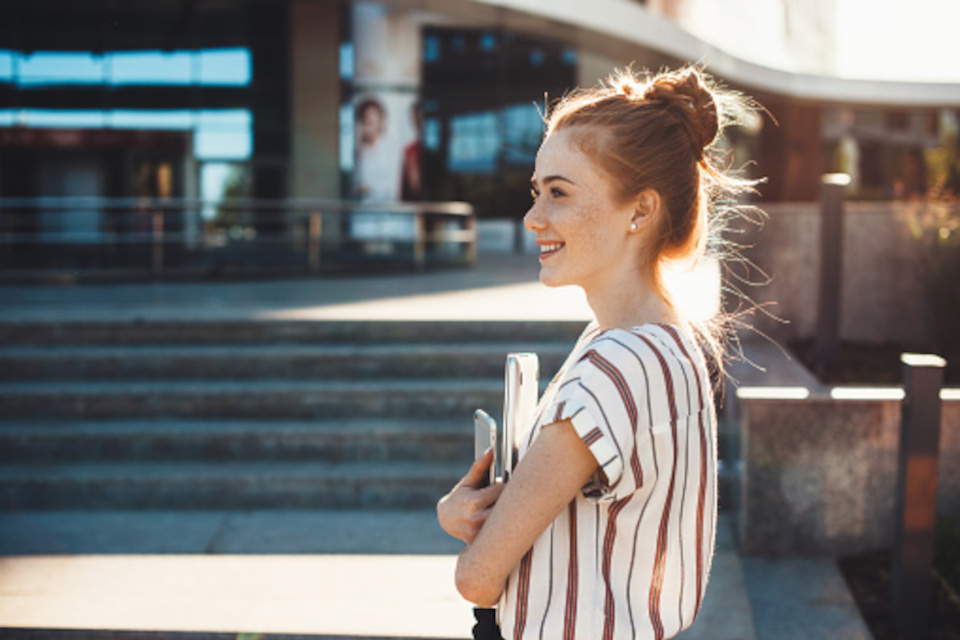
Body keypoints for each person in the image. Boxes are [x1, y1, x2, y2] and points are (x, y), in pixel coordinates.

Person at [437, 66, 760, 640]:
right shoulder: (672, 345)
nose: (533, 218)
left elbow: (478, 579)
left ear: (640, 211)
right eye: (536, 192)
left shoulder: (609, 369)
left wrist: (456, 517)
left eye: (559, 193)